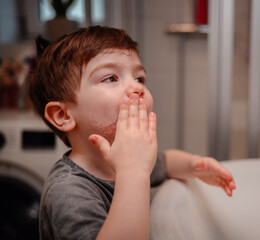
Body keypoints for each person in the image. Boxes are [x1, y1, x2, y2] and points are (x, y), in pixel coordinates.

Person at [27, 26, 236, 240]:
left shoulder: (127, 159)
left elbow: (166, 163)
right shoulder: (69, 191)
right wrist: (133, 171)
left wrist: (194, 165)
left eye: (139, 78)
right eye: (110, 78)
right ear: (63, 115)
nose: (137, 88)